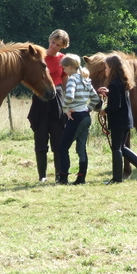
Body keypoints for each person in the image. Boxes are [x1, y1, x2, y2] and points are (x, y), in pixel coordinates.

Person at [97, 54, 137, 183]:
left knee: (117, 148)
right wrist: (110, 93)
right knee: (122, 147)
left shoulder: (114, 83)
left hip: (118, 121)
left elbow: (116, 105)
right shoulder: (123, 81)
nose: (105, 70)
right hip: (126, 120)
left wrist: (105, 111)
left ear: (112, 68)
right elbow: (119, 98)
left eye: (106, 67)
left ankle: (117, 178)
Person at [27, 29, 69, 182]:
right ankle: (42, 176)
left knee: (58, 140)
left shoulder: (64, 60)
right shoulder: (39, 57)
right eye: (53, 42)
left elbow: (65, 83)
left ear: (63, 47)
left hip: (57, 100)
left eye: (58, 45)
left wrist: (67, 103)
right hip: (40, 100)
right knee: (40, 138)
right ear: (49, 40)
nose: (54, 46)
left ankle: (59, 175)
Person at [56, 54, 102, 185]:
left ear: (70, 67)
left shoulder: (72, 79)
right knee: (81, 149)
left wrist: (65, 109)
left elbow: (69, 96)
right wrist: (88, 109)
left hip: (76, 117)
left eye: (64, 68)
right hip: (85, 116)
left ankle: (63, 177)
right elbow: (95, 98)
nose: (63, 70)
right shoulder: (86, 79)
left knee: (62, 148)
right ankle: (81, 177)